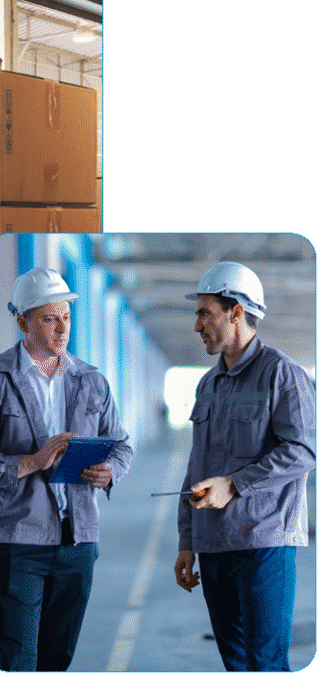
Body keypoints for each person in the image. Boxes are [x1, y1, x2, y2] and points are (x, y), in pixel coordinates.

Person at [0, 266, 132, 672]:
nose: (61, 328)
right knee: (17, 660)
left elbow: (121, 445)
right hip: (19, 542)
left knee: (57, 660)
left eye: (66, 317)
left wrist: (110, 471)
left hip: (78, 541)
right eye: (49, 319)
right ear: (22, 323)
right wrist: (31, 461)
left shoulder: (91, 380)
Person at [174, 261, 315, 672]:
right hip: (214, 546)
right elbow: (196, 466)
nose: (196, 325)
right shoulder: (208, 384)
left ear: (235, 312)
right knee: (235, 663)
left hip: (263, 544)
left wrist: (234, 484)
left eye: (205, 312)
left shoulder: (282, 375)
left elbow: (303, 450)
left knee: (265, 663)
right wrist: (187, 540)